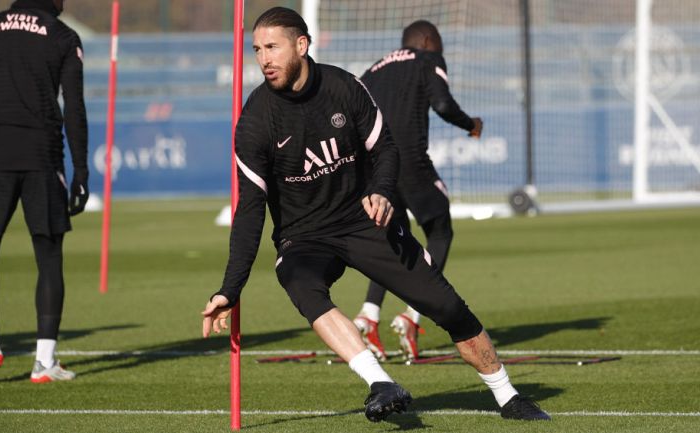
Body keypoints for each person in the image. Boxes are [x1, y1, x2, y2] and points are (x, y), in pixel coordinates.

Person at [202, 7, 549, 422]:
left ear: (301, 45)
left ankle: (509, 396)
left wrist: (383, 192)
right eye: (257, 49)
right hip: (304, 234)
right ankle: (380, 382)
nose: (263, 59)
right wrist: (230, 288)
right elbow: (250, 211)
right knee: (299, 281)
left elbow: (385, 148)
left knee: (449, 308)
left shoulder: (344, 87)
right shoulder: (255, 120)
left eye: (272, 47)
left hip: (363, 220)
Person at [0, 0, 88, 384]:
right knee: (48, 258)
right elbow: (74, 107)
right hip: (44, 160)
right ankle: (44, 362)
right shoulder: (63, 36)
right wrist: (81, 170)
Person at [352, 20, 483, 361]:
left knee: (394, 238)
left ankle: (368, 314)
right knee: (440, 232)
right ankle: (412, 314)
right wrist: (471, 124)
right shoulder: (427, 60)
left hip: (374, 169)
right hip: (409, 161)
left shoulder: (373, 71)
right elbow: (442, 104)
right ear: (427, 41)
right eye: (438, 45)